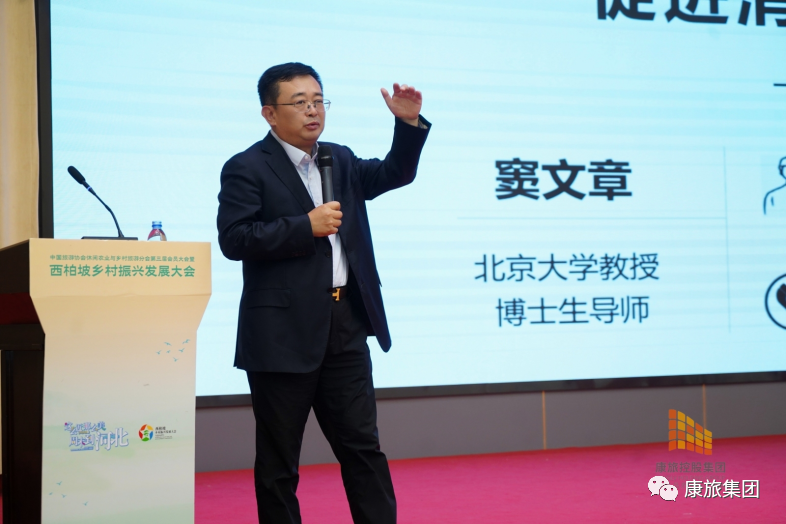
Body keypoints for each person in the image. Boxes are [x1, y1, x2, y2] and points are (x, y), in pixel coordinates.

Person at [216, 62, 430, 524]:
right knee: (279, 463)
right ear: (270, 113)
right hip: (282, 335)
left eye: (318, 100)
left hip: (345, 324)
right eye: (300, 102)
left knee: (363, 448)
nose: (313, 110)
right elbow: (234, 239)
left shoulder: (339, 159)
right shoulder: (247, 167)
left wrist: (407, 124)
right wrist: (304, 227)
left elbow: (395, 172)